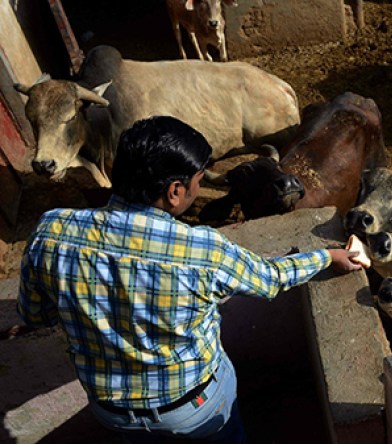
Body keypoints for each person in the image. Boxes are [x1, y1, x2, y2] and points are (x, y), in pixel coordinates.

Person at [16, 115, 362, 443]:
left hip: (113, 412)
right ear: (175, 192)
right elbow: (269, 279)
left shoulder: (51, 230)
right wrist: (326, 255)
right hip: (193, 409)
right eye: (198, 182)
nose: (198, 190)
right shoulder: (202, 249)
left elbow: (36, 315)